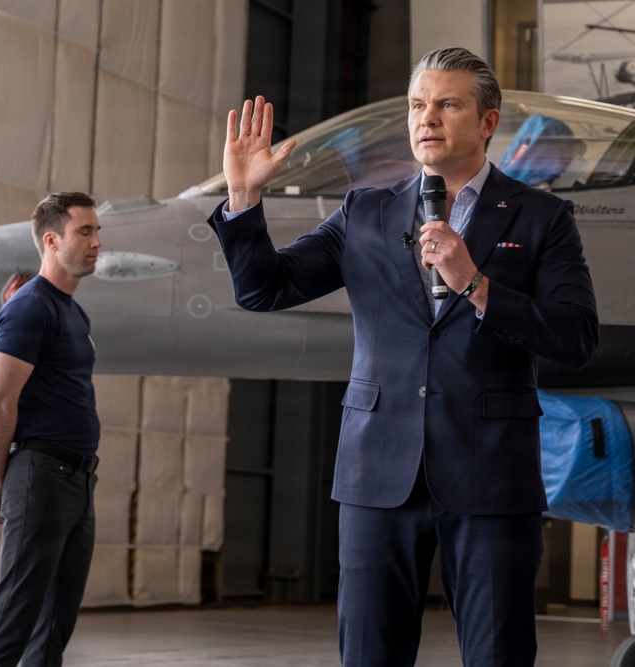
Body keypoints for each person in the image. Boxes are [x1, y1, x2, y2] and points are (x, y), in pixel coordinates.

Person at [210, 48, 598, 666]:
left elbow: (576, 338)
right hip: (376, 473)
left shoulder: (541, 216)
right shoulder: (365, 211)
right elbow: (265, 288)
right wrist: (242, 199)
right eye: (419, 105)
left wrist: (476, 284)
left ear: (488, 122)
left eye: (448, 104)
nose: (428, 118)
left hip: (492, 474)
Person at [0, 192, 102, 667]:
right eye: (84, 232)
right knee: (16, 615)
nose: (96, 242)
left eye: (97, 231)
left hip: (77, 478)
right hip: (40, 473)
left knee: (52, 626)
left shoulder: (73, 311)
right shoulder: (29, 308)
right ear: (51, 240)